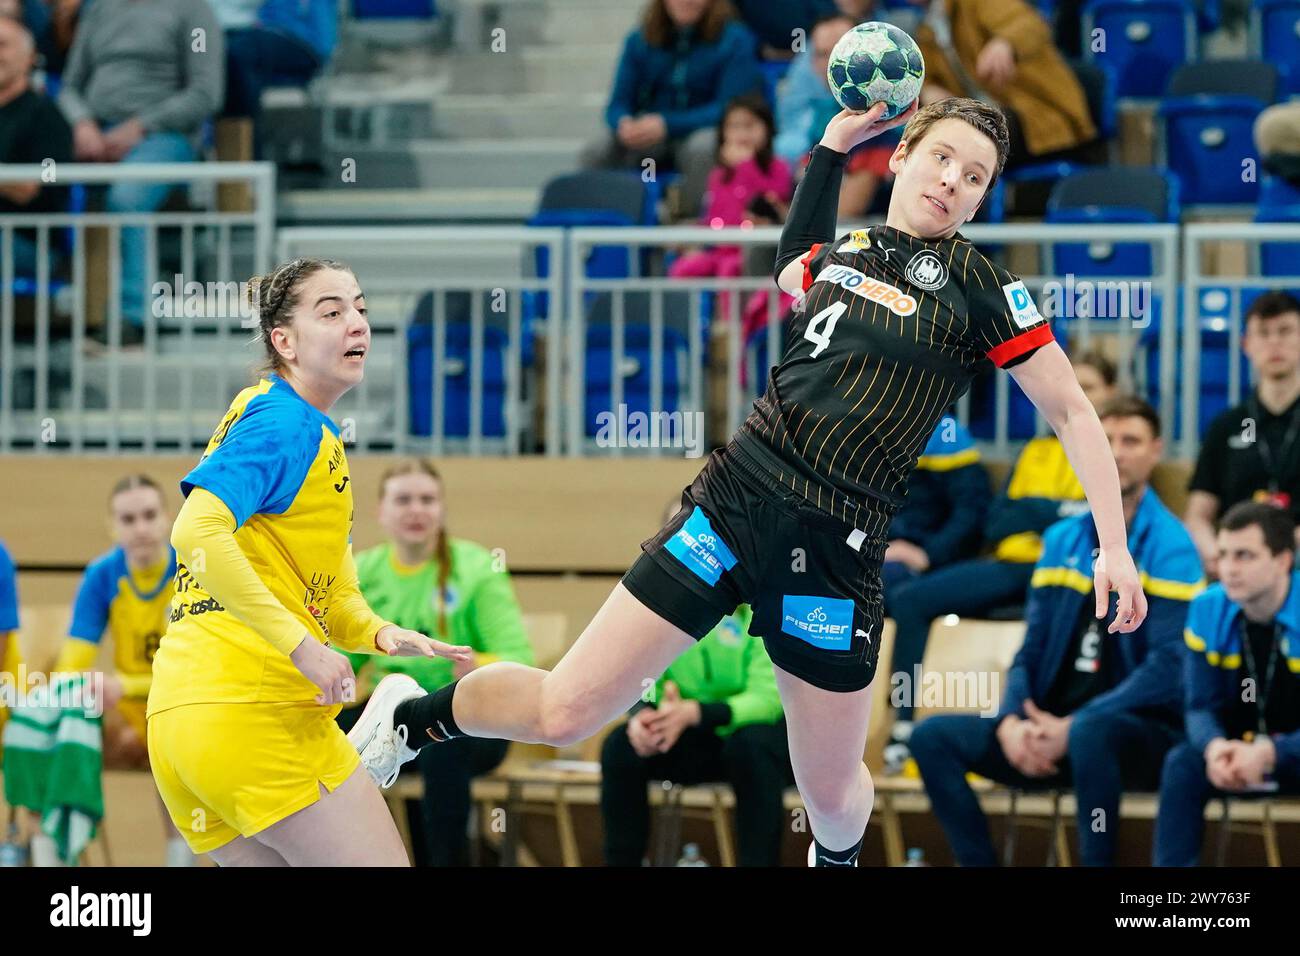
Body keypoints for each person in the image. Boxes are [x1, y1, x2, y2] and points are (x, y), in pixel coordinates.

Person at [348, 97, 1147, 869]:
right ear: (901, 155)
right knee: (566, 712)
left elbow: (1075, 413)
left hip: (838, 548)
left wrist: (1112, 546)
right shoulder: (839, 257)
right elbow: (791, 264)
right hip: (733, 503)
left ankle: (835, 860)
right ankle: (411, 721)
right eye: (941, 157)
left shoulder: (981, 288)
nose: (952, 181)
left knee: (830, 790)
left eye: (975, 176)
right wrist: (832, 148)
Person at [146, 257, 469, 867]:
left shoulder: (300, 430)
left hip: (182, 725)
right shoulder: (284, 423)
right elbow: (193, 530)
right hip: (255, 714)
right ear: (284, 341)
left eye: (361, 308)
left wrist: (382, 634)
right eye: (332, 312)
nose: (357, 325)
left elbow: (331, 597)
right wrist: (300, 647)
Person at [911, 396, 1203, 866]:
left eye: (1131, 441)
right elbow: (1031, 648)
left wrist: (1072, 727)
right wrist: (1011, 720)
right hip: (1051, 734)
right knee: (933, 738)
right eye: (1106, 440)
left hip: (1136, 738)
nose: (1117, 452)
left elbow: (1169, 668)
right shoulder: (1061, 540)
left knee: (1092, 730)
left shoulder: (1173, 546)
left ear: (1156, 451)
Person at [882, 350, 1117, 772]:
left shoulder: (1112, 450)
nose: (1075, 392)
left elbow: (1101, 525)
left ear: (1110, 394)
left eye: (1091, 386)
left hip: (1071, 573)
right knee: (912, 600)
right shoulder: (1035, 451)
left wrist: (1036, 511)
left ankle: (1049, 730)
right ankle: (902, 727)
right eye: (1072, 381)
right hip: (1011, 565)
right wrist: (1061, 510)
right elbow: (996, 524)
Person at [338, 458, 532, 868]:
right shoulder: (362, 571)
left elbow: (520, 659)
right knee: (313, 734)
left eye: (427, 499)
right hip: (387, 716)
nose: (416, 510)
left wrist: (479, 664)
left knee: (437, 743)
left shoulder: (477, 569)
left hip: (469, 718)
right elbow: (342, 658)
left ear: (442, 509)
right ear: (381, 511)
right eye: (403, 499)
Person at [57, 0, 223, 343]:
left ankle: (133, 318)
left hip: (164, 137)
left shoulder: (193, 12)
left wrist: (140, 126)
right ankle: (47, 298)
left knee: (127, 196)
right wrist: (82, 123)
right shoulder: (99, 10)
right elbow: (70, 86)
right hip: (94, 134)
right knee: (32, 177)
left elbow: (205, 93)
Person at [49, 475, 194, 865]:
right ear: (112, 527)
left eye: (149, 515)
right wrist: (81, 686)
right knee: (62, 725)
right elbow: (70, 666)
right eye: (128, 520)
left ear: (167, 519)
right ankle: (62, 853)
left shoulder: (192, 567)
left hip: (185, 703)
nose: (141, 529)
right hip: (129, 709)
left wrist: (123, 683)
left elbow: (196, 673)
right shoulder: (102, 576)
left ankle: (181, 858)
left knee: (172, 738)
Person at [1155, 501, 1300, 866]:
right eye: (1223, 555)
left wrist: (1270, 753)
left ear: (1283, 560)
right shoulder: (1208, 606)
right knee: (1183, 763)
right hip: (1237, 752)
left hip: (1290, 752)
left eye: (1245, 556)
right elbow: (1199, 705)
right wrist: (1215, 748)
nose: (1229, 569)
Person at [584, 0, 763, 220]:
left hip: (699, 130)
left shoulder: (735, 39)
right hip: (648, 136)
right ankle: (600, 229)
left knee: (702, 146)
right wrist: (624, 123)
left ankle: (694, 227)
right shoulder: (639, 39)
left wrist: (667, 124)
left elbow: (731, 108)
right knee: (597, 148)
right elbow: (617, 103)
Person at [1186, 291, 1300, 579]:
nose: (1274, 342)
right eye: (1263, 333)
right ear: (1246, 344)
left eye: (1285, 331)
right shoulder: (1226, 426)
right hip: (1237, 567)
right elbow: (1198, 514)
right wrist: (1218, 553)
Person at [669, 93, 794, 346]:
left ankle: (732, 338)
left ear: (767, 129)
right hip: (717, 250)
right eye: (733, 127)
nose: (741, 135)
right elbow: (713, 216)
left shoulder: (777, 167)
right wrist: (690, 238)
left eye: (749, 126)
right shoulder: (718, 174)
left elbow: (770, 202)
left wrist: (746, 166)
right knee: (681, 268)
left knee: (729, 272)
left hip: (751, 254)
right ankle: (682, 337)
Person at [912, 0, 1095, 172]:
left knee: (970, 135)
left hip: (1039, 115)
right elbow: (926, 77)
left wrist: (1006, 43)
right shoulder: (927, 30)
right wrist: (927, 89)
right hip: (992, 117)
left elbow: (1031, 24)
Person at [774, 12, 897, 218]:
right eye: (822, 54)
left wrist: (782, 217)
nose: (832, 63)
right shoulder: (818, 118)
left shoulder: (887, 120)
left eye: (841, 52)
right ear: (812, 63)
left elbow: (846, 212)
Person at [881, 410, 989, 602]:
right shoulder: (861, 426)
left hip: (921, 555)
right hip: (872, 551)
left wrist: (928, 555)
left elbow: (972, 510)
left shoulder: (946, 433)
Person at [0, 15, 72, 277]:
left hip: (30, 244)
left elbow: (35, 186)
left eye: (2, 45)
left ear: (30, 57)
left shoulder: (47, 117)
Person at [208, 0, 335, 134]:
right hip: (261, 33)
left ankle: (245, 146)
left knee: (240, 53)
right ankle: (232, 144)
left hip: (306, 38)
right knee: (228, 56)